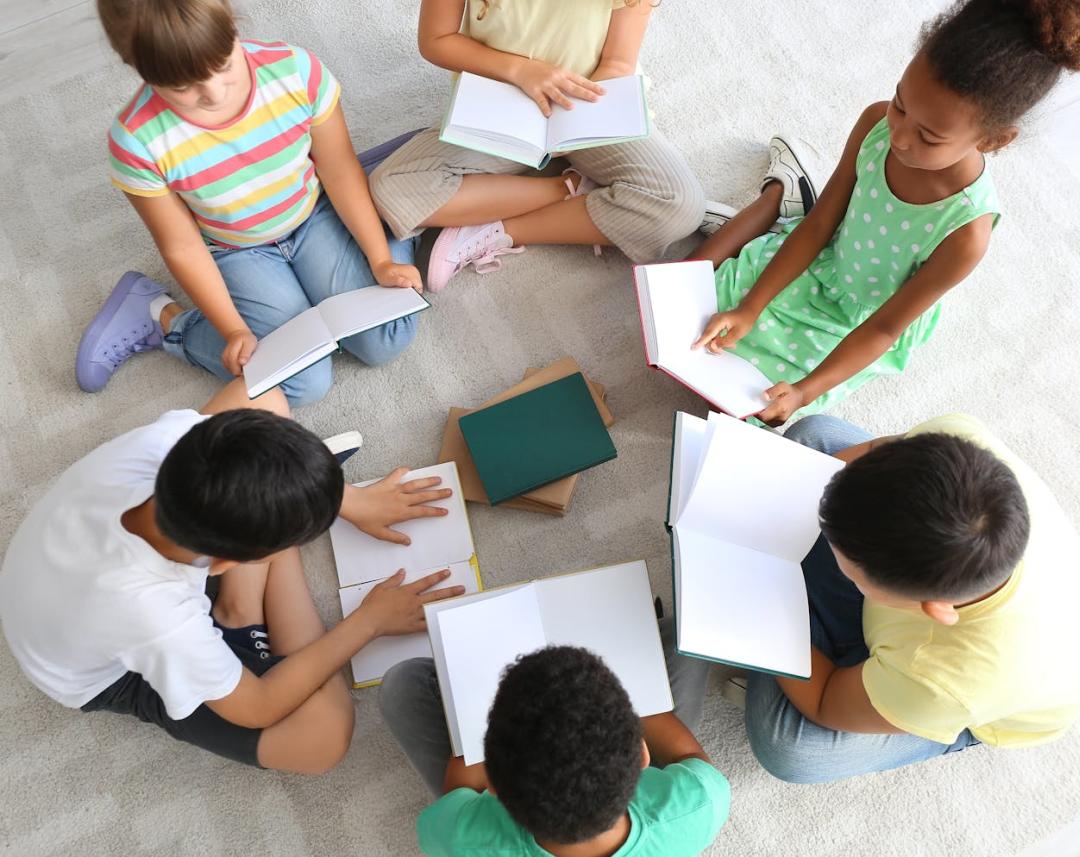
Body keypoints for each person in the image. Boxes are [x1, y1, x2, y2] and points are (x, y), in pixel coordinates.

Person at [691, 0, 1080, 425]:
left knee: (754, 400)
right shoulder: (875, 124)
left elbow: (884, 330)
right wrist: (750, 309)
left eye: (929, 137)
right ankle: (791, 195)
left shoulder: (965, 234)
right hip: (824, 255)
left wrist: (805, 390)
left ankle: (786, 193)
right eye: (901, 104)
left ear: (994, 140)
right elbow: (822, 222)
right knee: (702, 320)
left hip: (862, 317)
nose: (898, 136)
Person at [0, 378, 464, 773]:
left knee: (261, 397)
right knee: (321, 739)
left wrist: (350, 501)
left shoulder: (160, 447)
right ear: (224, 564)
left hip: (67, 582)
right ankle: (241, 611)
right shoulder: (157, 617)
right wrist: (368, 622)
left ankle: (238, 609)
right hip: (102, 671)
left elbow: (249, 395)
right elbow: (257, 707)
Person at [78, 0, 421, 405]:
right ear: (134, 65)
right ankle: (161, 317)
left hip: (314, 213)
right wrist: (232, 331)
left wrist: (379, 259)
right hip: (237, 250)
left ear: (233, 26)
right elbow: (182, 245)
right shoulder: (137, 141)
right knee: (302, 384)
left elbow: (340, 170)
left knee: (386, 339)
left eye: (223, 65)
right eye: (183, 87)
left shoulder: (295, 70)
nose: (212, 93)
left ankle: (392, 208)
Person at [739, 412, 1080, 783]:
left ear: (931, 608)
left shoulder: (944, 682)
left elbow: (826, 701)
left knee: (792, 751)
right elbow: (878, 451)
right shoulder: (959, 442)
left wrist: (765, 611)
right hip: (939, 622)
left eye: (849, 568)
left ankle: (923, 716)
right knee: (815, 437)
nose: (827, 540)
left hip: (963, 690)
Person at [367, 0, 705, 293]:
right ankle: (569, 186)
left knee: (680, 206)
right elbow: (436, 40)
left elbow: (617, 63)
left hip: (586, 102)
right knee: (391, 187)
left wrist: (570, 128)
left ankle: (497, 228)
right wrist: (522, 70)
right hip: (501, 99)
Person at [380, 621, 731, 855]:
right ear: (642, 754)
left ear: (495, 786)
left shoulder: (462, 839)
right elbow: (688, 755)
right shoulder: (700, 803)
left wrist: (486, 727)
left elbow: (460, 787)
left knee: (404, 684)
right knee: (678, 634)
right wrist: (626, 694)